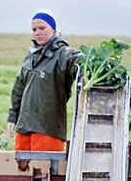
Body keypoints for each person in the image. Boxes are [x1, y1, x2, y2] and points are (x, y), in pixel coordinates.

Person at [7, 10, 81, 152]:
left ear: (54, 30)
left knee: (44, 169)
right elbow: (19, 88)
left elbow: (77, 60)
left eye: (42, 28)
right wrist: (12, 117)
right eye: (34, 29)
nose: (37, 32)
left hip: (48, 129)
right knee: (22, 169)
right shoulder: (30, 56)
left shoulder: (63, 54)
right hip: (24, 127)